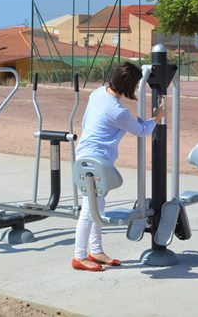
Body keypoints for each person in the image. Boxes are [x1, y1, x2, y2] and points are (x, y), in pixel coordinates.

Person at [72, 61, 163, 271]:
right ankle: (79, 256)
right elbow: (141, 131)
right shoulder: (117, 111)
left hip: (85, 154)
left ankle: (95, 250)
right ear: (129, 84)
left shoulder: (97, 93)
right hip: (97, 161)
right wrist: (156, 118)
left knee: (98, 207)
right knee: (89, 209)